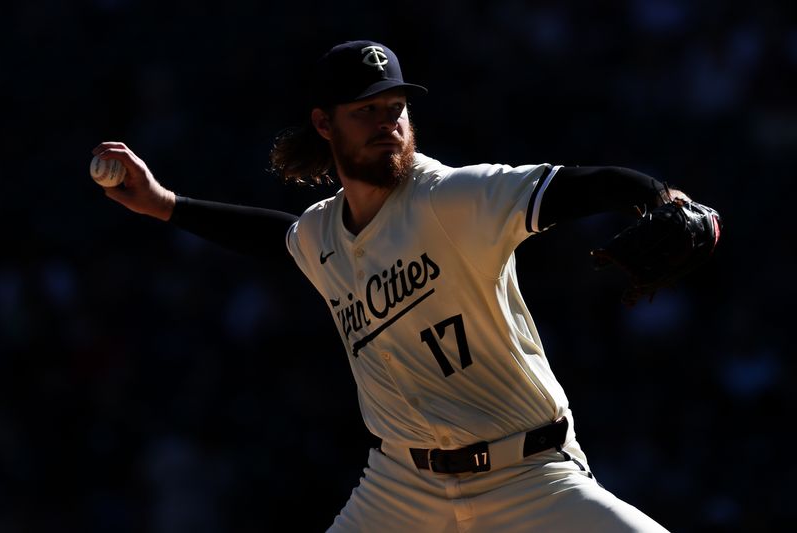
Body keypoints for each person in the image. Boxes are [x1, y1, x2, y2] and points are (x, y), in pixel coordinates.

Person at [91, 39, 713, 532]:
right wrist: (165, 204)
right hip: (401, 490)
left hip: (529, 478)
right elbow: (277, 240)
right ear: (324, 124)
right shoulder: (322, 235)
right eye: (366, 111)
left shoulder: (451, 197)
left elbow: (583, 183)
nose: (386, 123)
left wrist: (659, 198)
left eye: (395, 108)